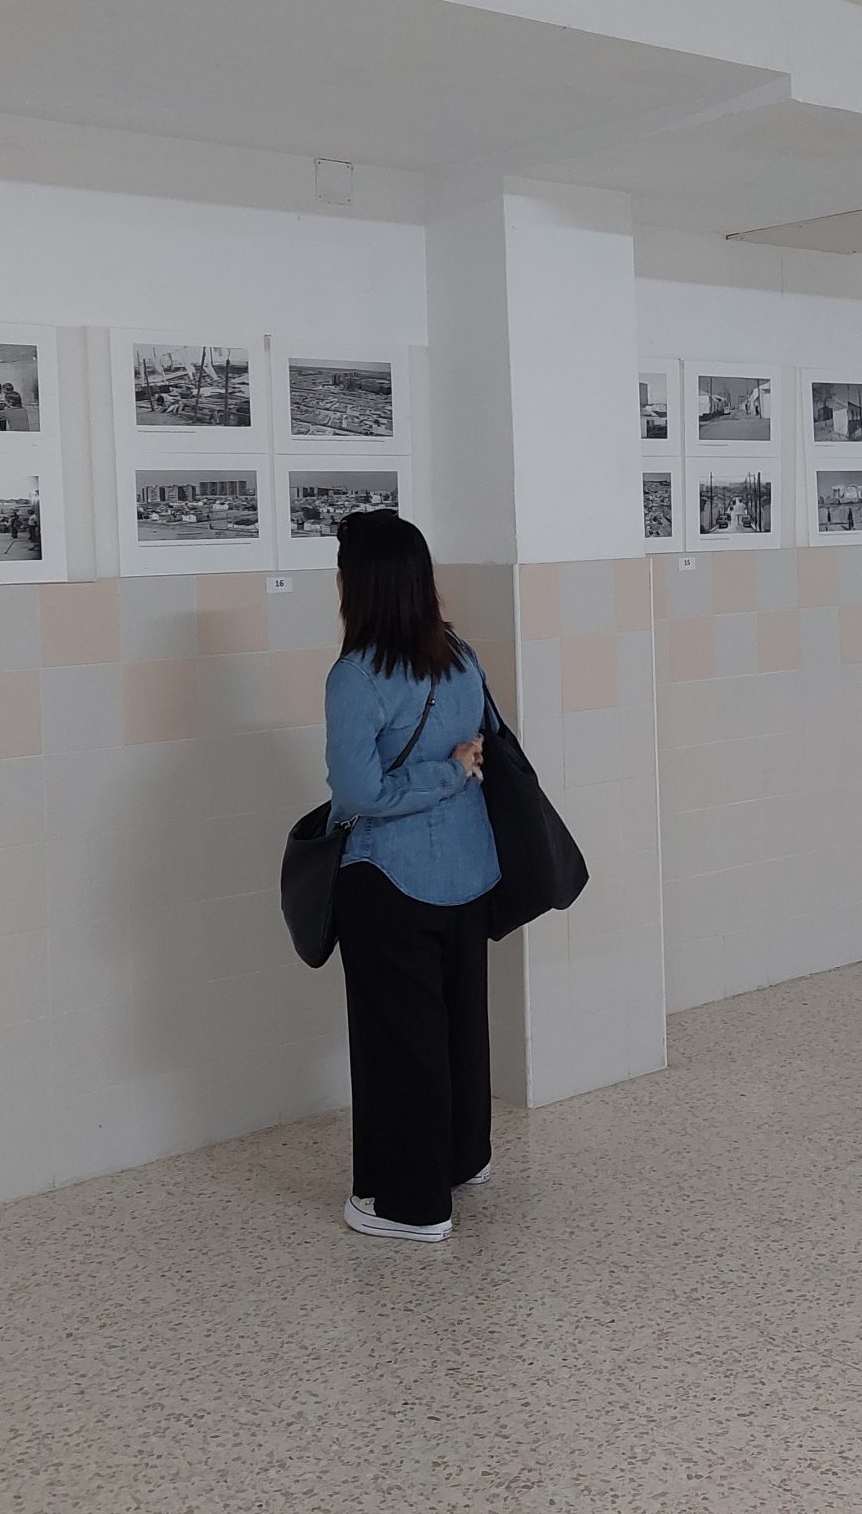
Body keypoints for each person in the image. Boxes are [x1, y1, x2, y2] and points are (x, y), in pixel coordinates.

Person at [323, 508, 497, 1243]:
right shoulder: (460, 655)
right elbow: (483, 745)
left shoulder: (357, 676)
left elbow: (359, 793)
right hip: (468, 869)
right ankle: (462, 1158)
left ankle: (412, 1205)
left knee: (399, 1041)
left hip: (389, 879)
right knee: (458, 1022)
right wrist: (456, 770)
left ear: (358, 586)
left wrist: (441, 775)